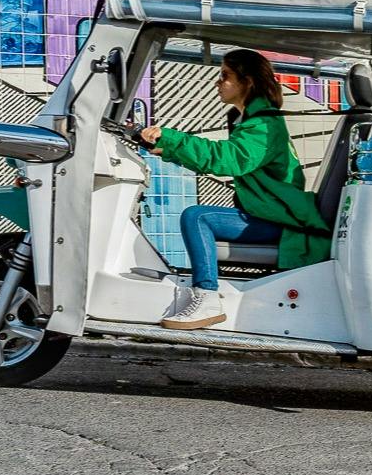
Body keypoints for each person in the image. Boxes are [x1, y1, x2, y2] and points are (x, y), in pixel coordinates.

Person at [134, 49, 324, 329]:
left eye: (225, 76)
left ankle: (207, 297)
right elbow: (219, 158)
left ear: (247, 82)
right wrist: (165, 148)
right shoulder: (253, 121)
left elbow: (228, 160)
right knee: (199, 216)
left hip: (283, 223)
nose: (218, 82)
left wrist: (172, 137)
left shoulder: (264, 125)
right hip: (269, 216)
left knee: (196, 216)